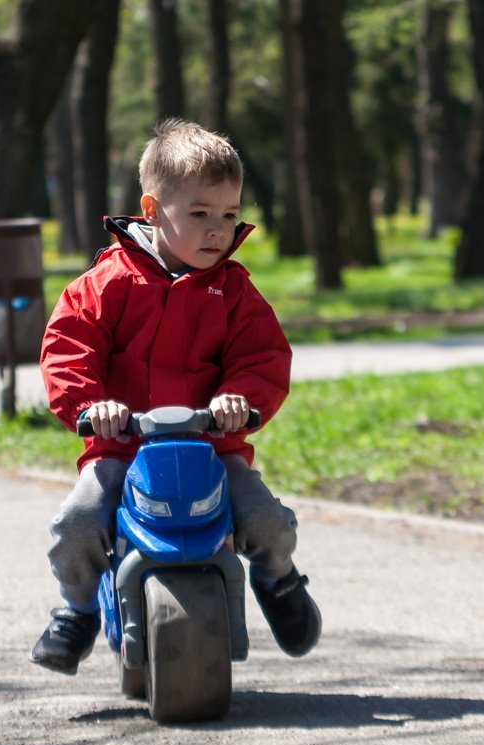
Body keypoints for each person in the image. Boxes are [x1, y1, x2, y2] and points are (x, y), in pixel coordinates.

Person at [31, 119, 321, 675]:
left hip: (211, 446)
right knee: (78, 522)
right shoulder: (106, 284)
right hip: (123, 448)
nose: (218, 230)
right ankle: (76, 611)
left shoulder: (233, 291)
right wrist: (92, 406)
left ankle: (279, 581)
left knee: (266, 520)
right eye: (200, 214)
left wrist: (240, 398)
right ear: (152, 209)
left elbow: (262, 356)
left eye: (229, 215)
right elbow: (68, 346)